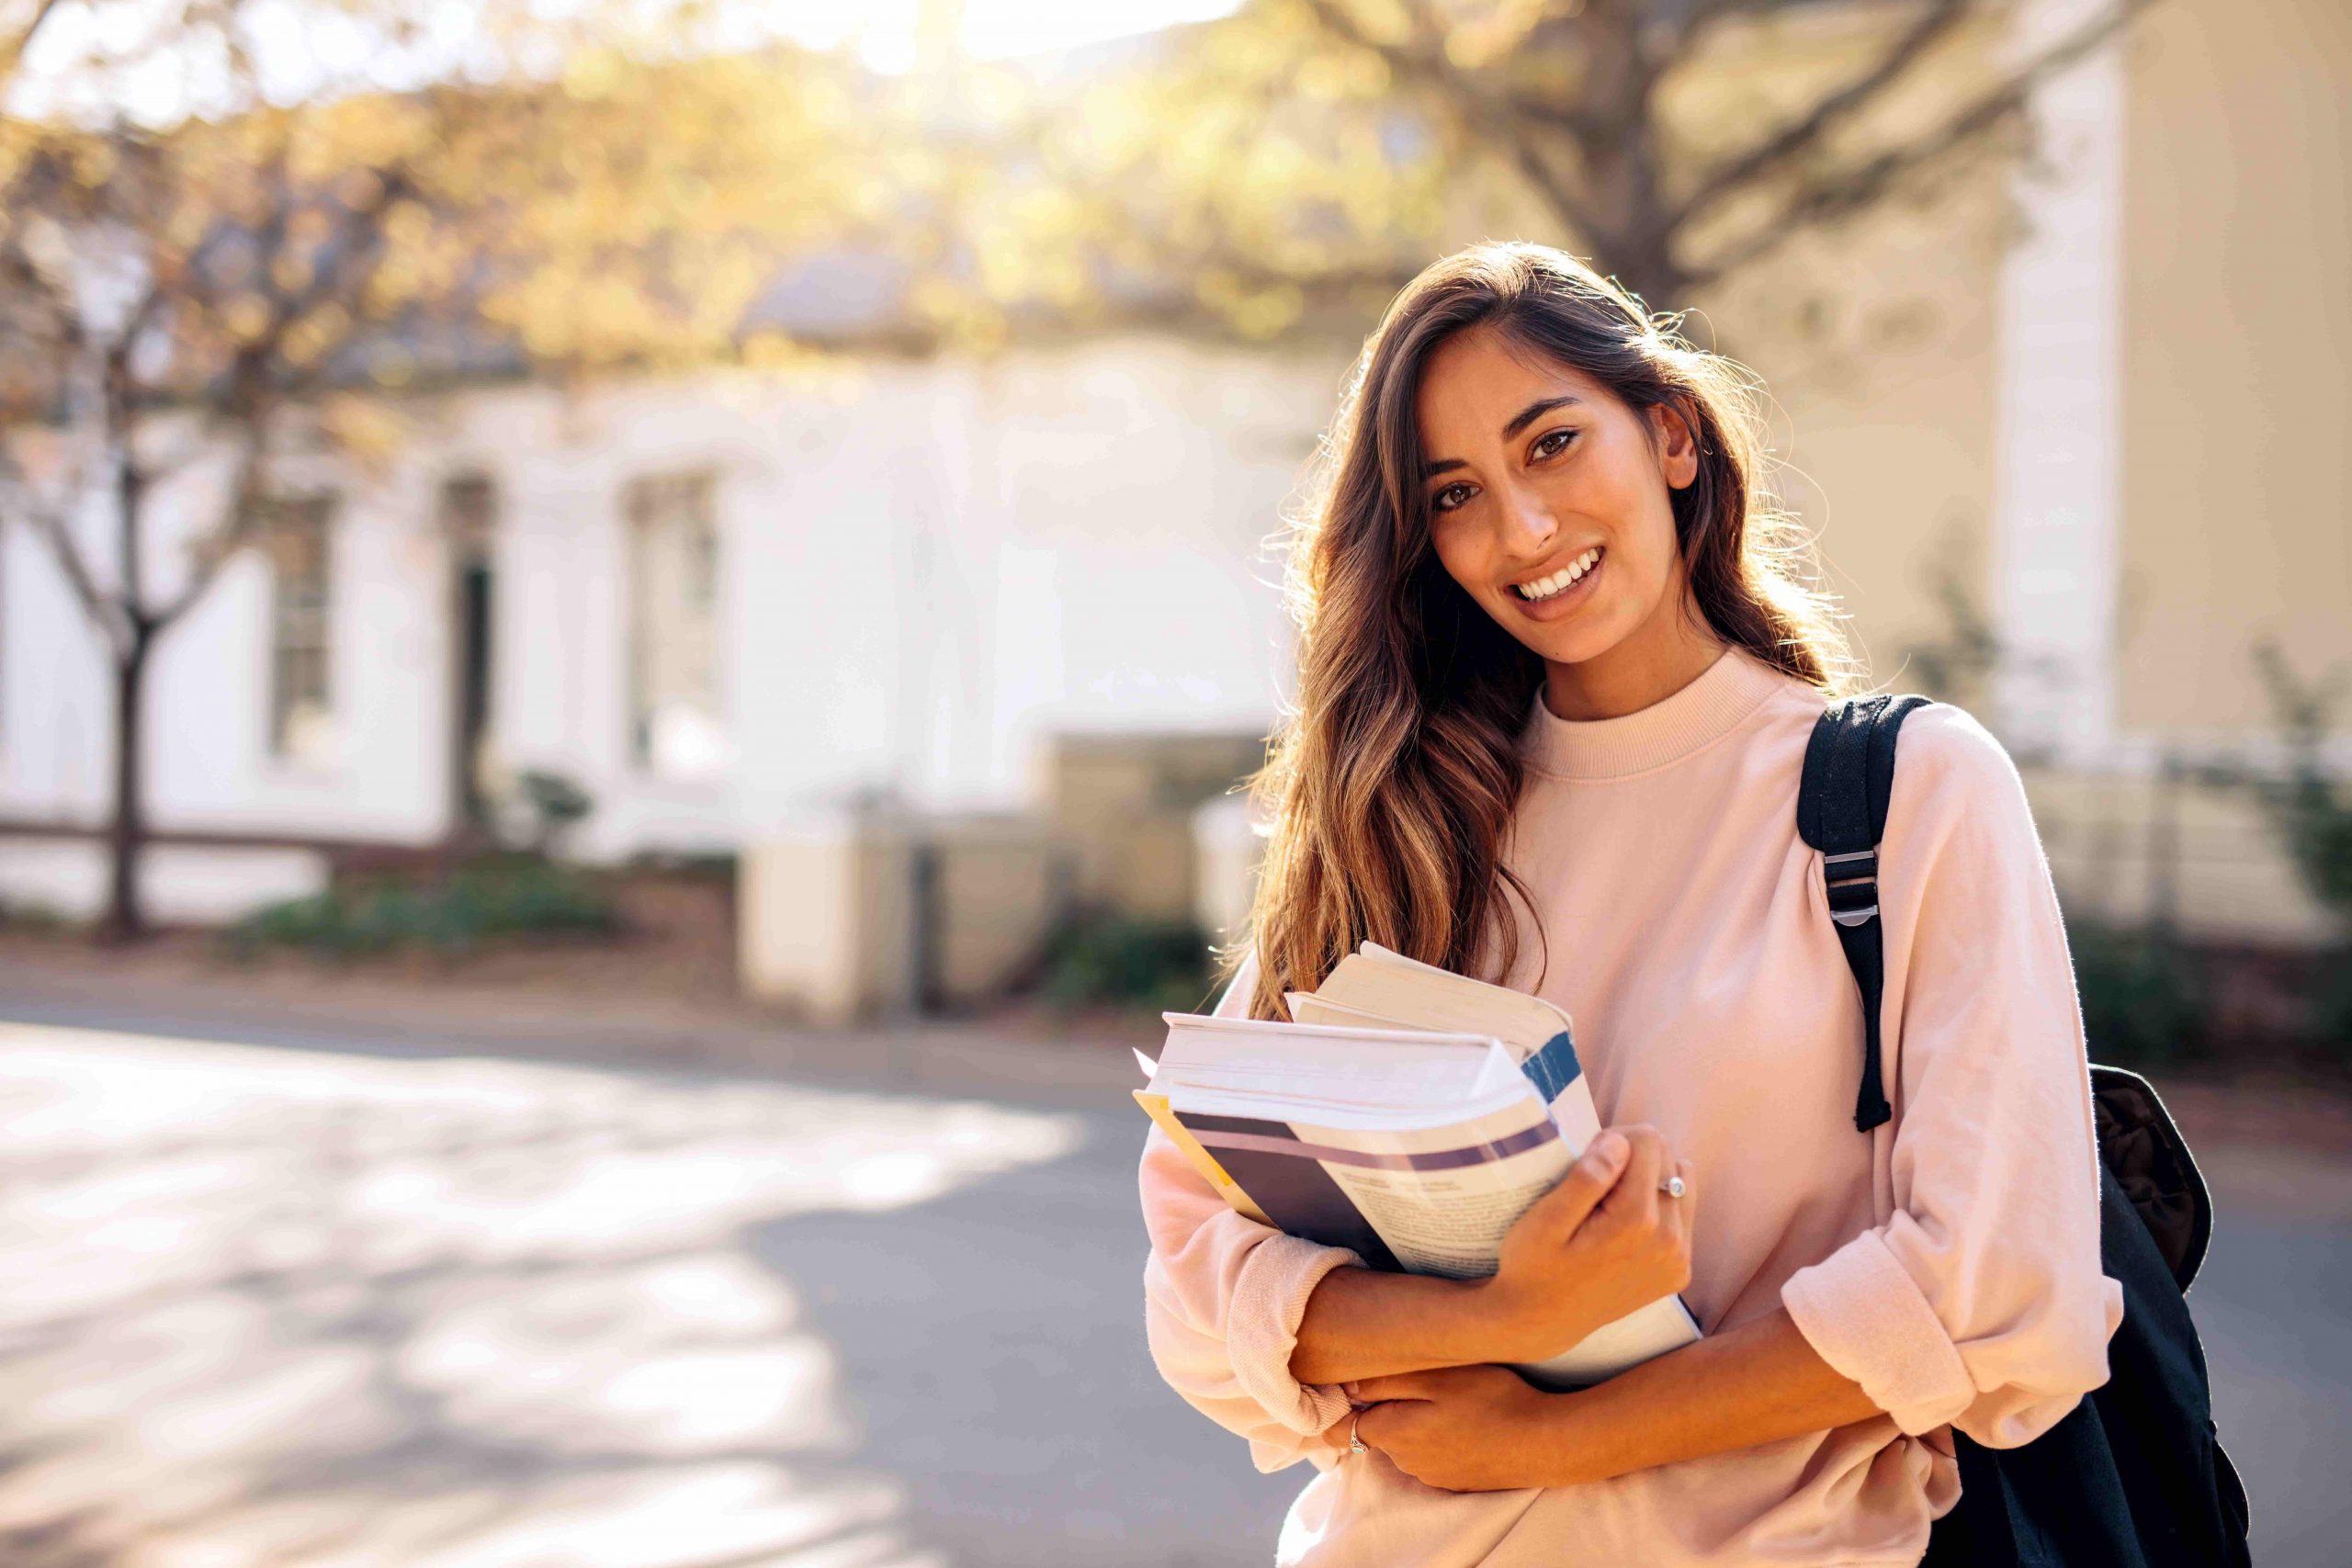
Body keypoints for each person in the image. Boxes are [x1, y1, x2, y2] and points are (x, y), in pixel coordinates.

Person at [1136, 241, 2123, 1567]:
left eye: (1552, 445)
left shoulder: (1905, 793)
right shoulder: (1403, 822)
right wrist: (1511, 1314)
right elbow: (1201, 1289)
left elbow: (1997, 1294)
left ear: (1670, 435)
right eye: (1455, 495)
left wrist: (1543, 1438)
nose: (1522, 531)